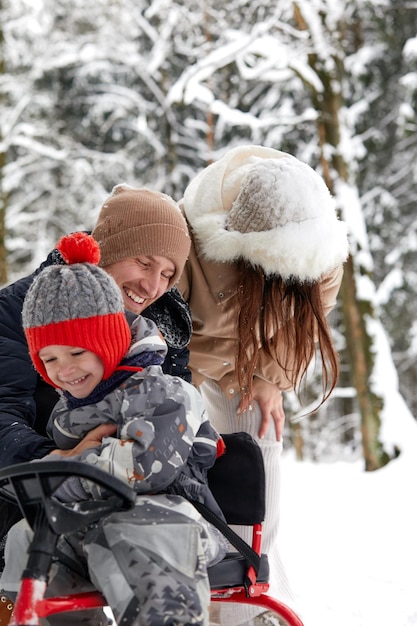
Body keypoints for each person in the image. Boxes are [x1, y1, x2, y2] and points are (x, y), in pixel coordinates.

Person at [0, 232, 228, 626]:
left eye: (76, 353)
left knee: (139, 530)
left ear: (106, 345)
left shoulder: (164, 392)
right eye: (49, 358)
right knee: (27, 535)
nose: (64, 369)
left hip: (175, 521)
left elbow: (141, 465)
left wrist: (64, 475)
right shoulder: (69, 412)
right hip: (97, 520)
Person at [177, 144, 350, 625]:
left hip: (251, 358)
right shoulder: (196, 244)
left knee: (259, 434)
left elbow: (308, 325)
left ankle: (254, 587)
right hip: (186, 348)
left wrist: (272, 377)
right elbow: (162, 325)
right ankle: (191, 581)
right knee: (177, 452)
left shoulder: (322, 257)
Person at [0, 185, 193, 570]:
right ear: (108, 250)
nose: (153, 286)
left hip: (133, 499)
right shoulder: (17, 310)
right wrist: (59, 460)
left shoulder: (161, 333)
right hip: (25, 496)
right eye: (143, 262)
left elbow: (174, 422)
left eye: (167, 274)